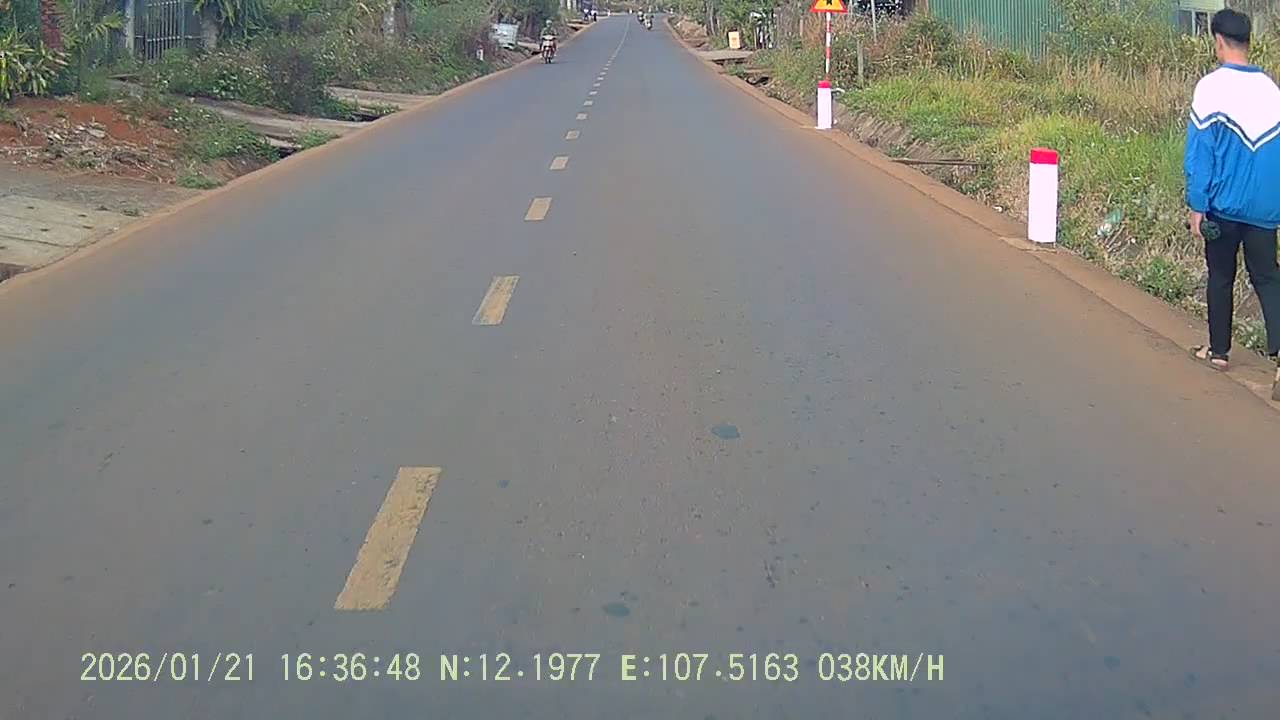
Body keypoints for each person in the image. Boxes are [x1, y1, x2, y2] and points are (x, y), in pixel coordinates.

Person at [1184, 8, 1280, 399]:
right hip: (1265, 209)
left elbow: (1201, 153)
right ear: (1248, 41)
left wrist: (1197, 204)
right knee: (1268, 278)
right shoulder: (1272, 90)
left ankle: (1219, 351)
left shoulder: (1211, 88)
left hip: (1223, 205)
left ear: (1218, 40)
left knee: (1221, 274)